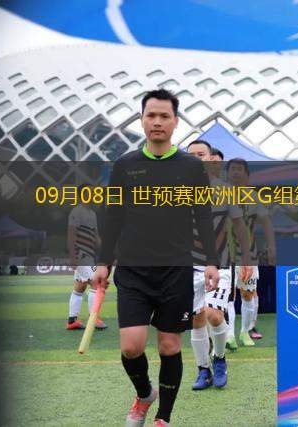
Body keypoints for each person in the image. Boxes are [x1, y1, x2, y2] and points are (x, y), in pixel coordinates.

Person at [92, 89, 220, 427]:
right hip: (133, 270)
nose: (157, 121)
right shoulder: (125, 165)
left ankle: (163, 418)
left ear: (176, 122)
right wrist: (103, 262)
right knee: (131, 347)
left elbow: (203, 214)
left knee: (169, 346)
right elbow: (113, 215)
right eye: (151, 115)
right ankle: (145, 393)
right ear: (142, 120)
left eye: (165, 116)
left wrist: (212, 260)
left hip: (176, 270)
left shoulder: (192, 166)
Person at [186, 140, 252, 390]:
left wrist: (247, 258)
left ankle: (220, 358)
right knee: (197, 318)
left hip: (221, 263)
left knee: (213, 314)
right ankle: (203, 369)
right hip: (188, 264)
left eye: (201, 154)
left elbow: (239, 226)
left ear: (211, 158)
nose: (196, 159)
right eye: (191, 155)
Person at [225, 158, 276, 347]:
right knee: (228, 295)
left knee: (248, 293)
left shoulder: (253, 197)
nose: (235, 172)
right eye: (232, 169)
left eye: (239, 169)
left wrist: (271, 247)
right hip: (225, 254)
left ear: (246, 174)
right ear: (227, 173)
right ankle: (229, 335)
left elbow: (266, 223)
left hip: (249, 254)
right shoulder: (221, 195)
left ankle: (245, 332)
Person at [66, 189, 107, 330]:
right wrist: (73, 256)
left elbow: (95, 236)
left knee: (80, 286)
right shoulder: (77, 212)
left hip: (89, 255)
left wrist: (106, 252)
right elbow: (71, 235)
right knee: (97, 283)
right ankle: (93, 319)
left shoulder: (92, 213)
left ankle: (72, 321)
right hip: (81, 255)